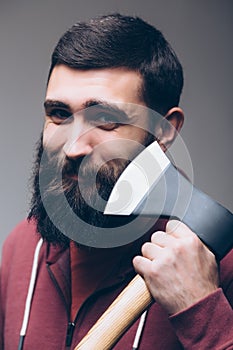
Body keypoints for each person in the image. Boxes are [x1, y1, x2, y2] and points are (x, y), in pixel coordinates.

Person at [0, 13, 232, 350]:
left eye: (105, 120)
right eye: (60, 114)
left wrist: (201, 310)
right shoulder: (24, 247)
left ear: (165, 131)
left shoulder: (215, 264)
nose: (73, 146)